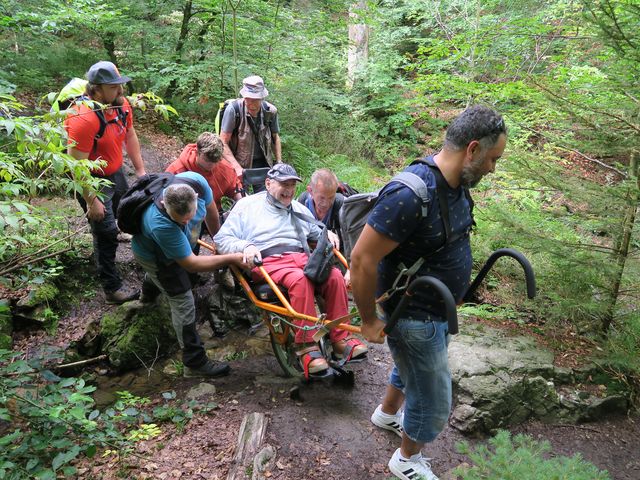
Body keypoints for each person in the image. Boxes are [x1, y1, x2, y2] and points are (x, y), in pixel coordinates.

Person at [350, 105, 507, 480]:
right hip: (413, 315)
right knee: (434, 397)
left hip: (435, 310)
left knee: (412, 373)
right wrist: (369, 320)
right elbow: (361, 260)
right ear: (472, 149)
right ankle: (405, 459)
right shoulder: (409, 194)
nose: (492, 169)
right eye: (492, 159)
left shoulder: (454, 185)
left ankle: (387, 414)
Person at [213, 163, 367, 378]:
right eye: (283, 184)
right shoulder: (247, 206)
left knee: (334, 276)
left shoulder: (298, 208)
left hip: (301, 257)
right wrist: (245, 246)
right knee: (300, 280)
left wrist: (327, 234)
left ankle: (341, 338)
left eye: (292, 185)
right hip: (268, 260)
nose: (289, 189)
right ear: (268, 183)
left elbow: (316, 230)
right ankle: (306, 348)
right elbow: (221, 239)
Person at [131, 171, 248, 377]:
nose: (187, 223)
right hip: (155, 258)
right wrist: (231, 258)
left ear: (195, 197)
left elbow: (212, 211)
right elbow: (191, 264)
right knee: (183, 302)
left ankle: (150, 289)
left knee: (180, 280)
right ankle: (194, 363)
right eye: (180, 220)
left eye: (190, 217)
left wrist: (219, 242)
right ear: (165, 206)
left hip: (180, 245)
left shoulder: (198, 182)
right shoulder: (159, 223)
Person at [65, 61, 146, 304]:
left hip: (115, 171)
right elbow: (76, 165)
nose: (121, 91)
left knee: (127, 212)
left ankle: (117, 233)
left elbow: (130, 135)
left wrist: (140, 170)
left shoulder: (121, 106)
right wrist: (92, 200)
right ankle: (112, 288)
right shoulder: (84, 117)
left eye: (121, 85)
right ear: (96, 90)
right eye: (114, 87)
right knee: (105, 230)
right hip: (92, 179)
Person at [219, 75, 282, 190]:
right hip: (239, 163)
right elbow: (222, 142)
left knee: (265, 198)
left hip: (263, 163)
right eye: (247, 98)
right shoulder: (233, 110)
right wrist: (236, 167)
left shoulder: (270, 111)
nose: (250, 103)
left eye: (255, 99)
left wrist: (278, 162)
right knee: (242, 200)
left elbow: (275, 138)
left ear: (262, 98)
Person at [165, 132, 242, 213]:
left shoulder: (225, 168)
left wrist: (241, 203)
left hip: (213, 214)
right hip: (182, 216)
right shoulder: (177, 170)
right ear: (197, 152)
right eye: (207, 160)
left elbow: (235, 189)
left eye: (215, 161)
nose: (212, 165)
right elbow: (163, 197)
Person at [296, 168, 345, 249]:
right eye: (321, 198)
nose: (326, 203)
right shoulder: (301, 203)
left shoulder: (343, 206)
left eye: (331, 197)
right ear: (310, 190)